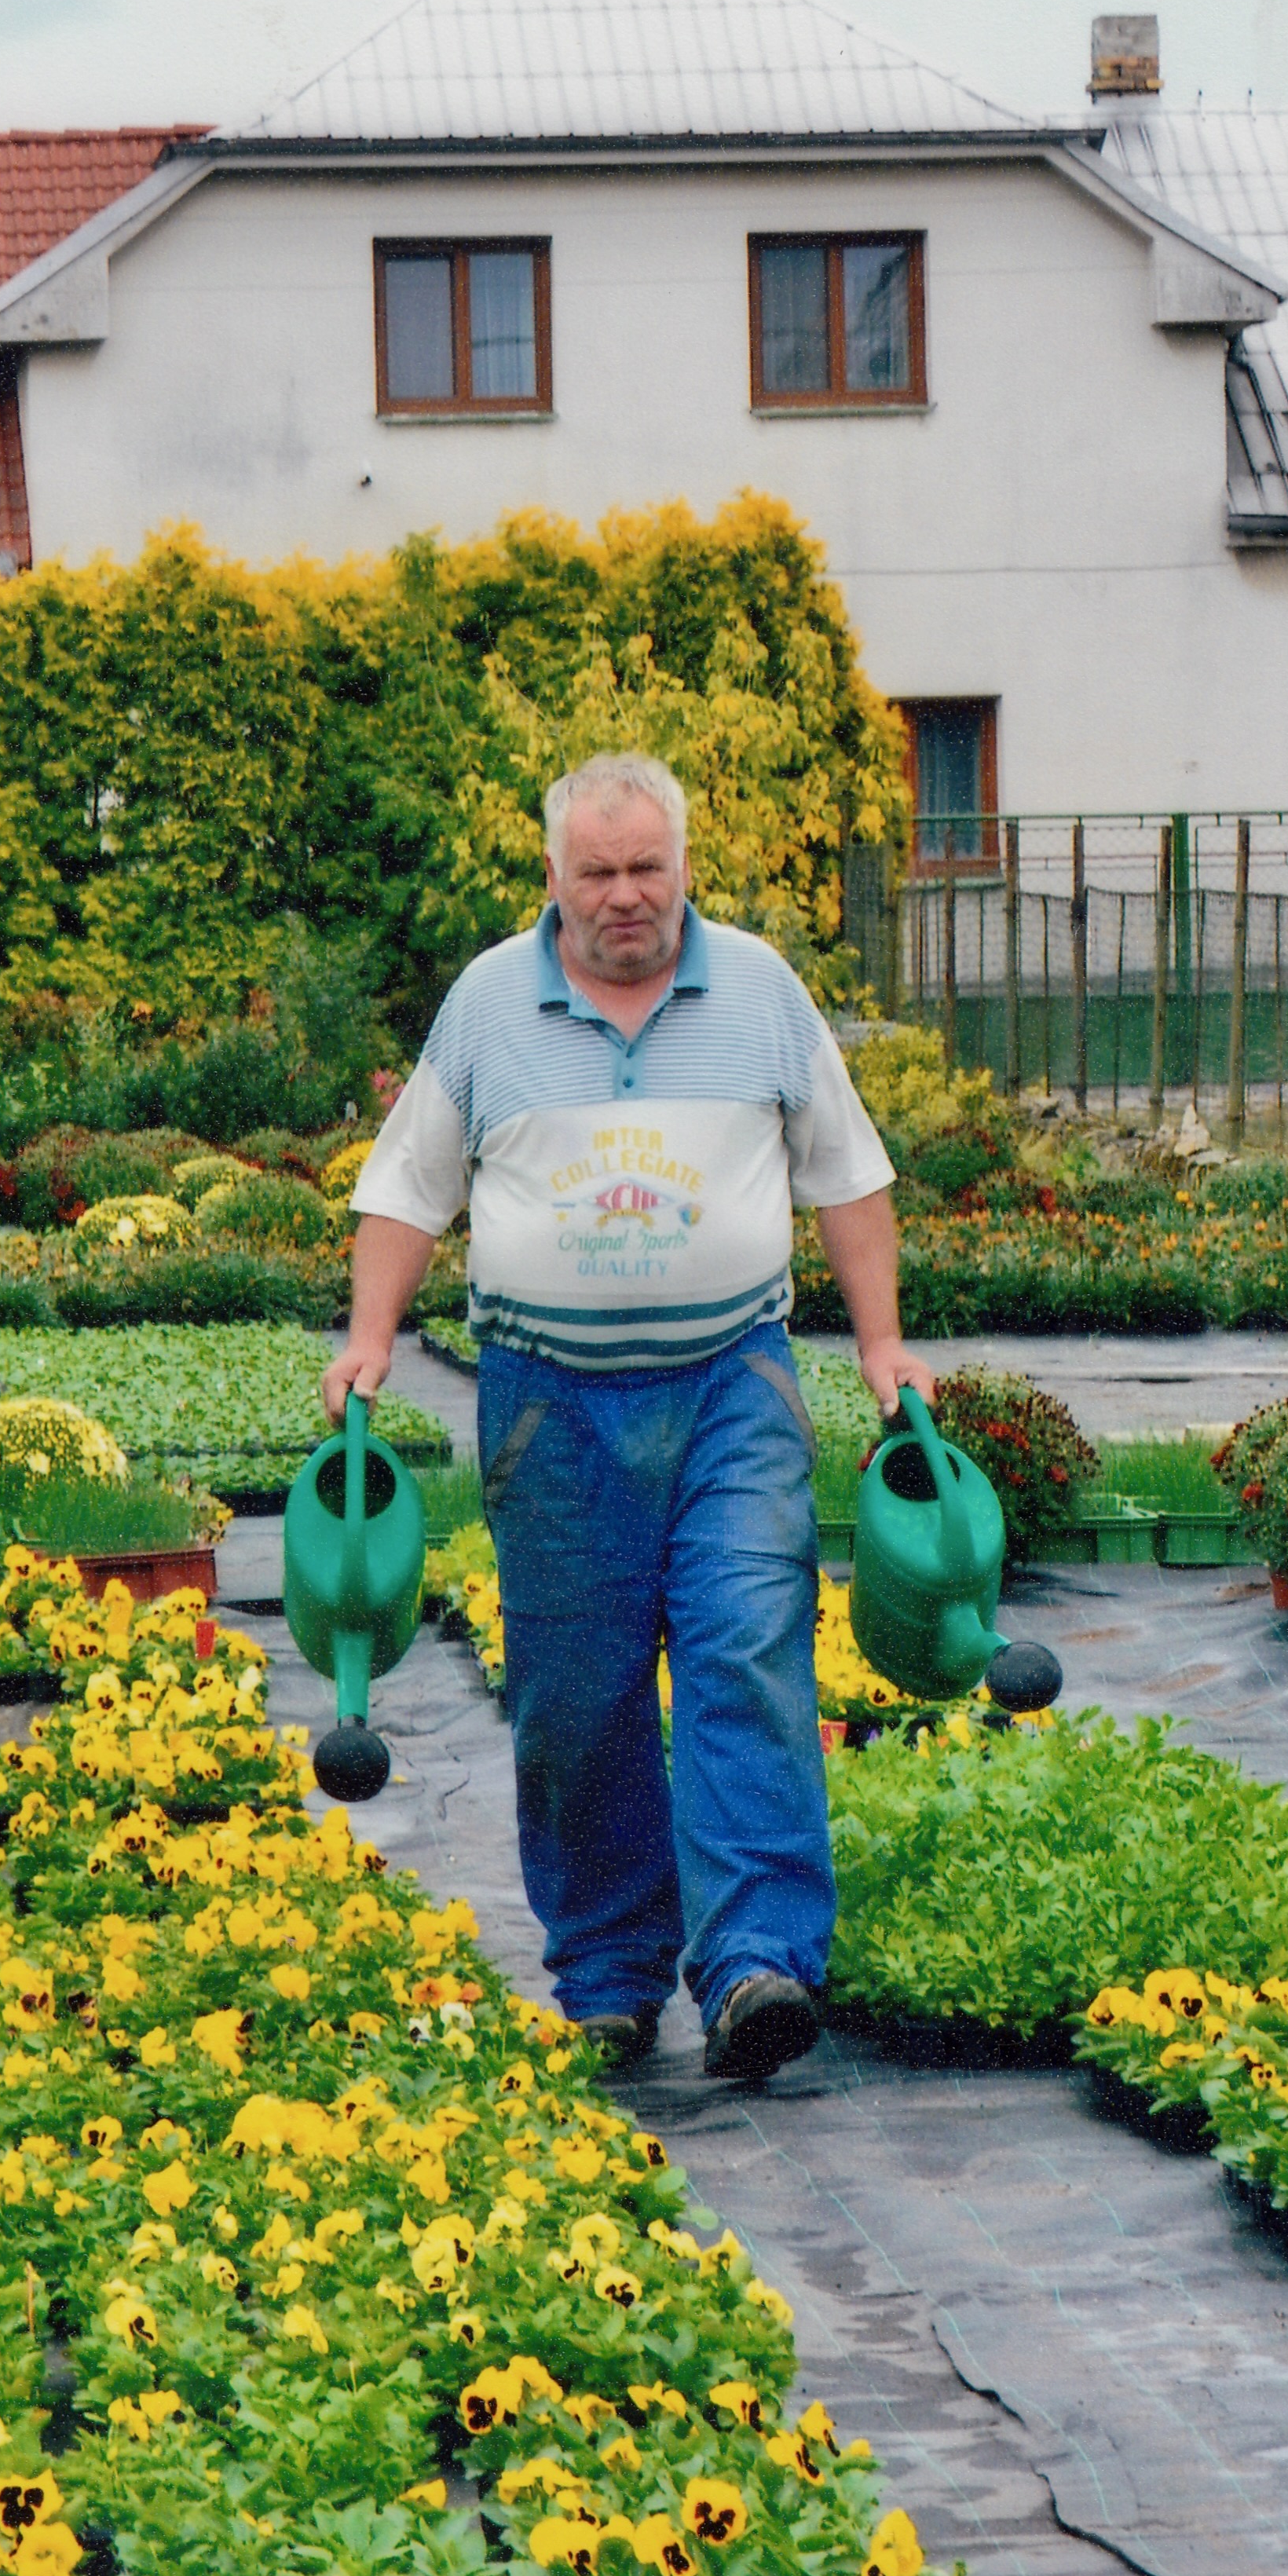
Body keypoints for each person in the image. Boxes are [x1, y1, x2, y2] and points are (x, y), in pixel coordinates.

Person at [323, 751, 929, 2085]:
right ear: (553, 876)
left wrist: (882, 1348)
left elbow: (847, 1177)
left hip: (731, 1390)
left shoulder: (760, 991)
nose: (623, 896)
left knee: (744, 1649)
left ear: (684, 866)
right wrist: (367, 1341)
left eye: (646, 867)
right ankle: (606, 1978)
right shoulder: (488, 1004)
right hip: (549, 1406)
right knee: (575, 1692)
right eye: (595, 872)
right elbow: (409, 1185)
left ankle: (756, 1960)